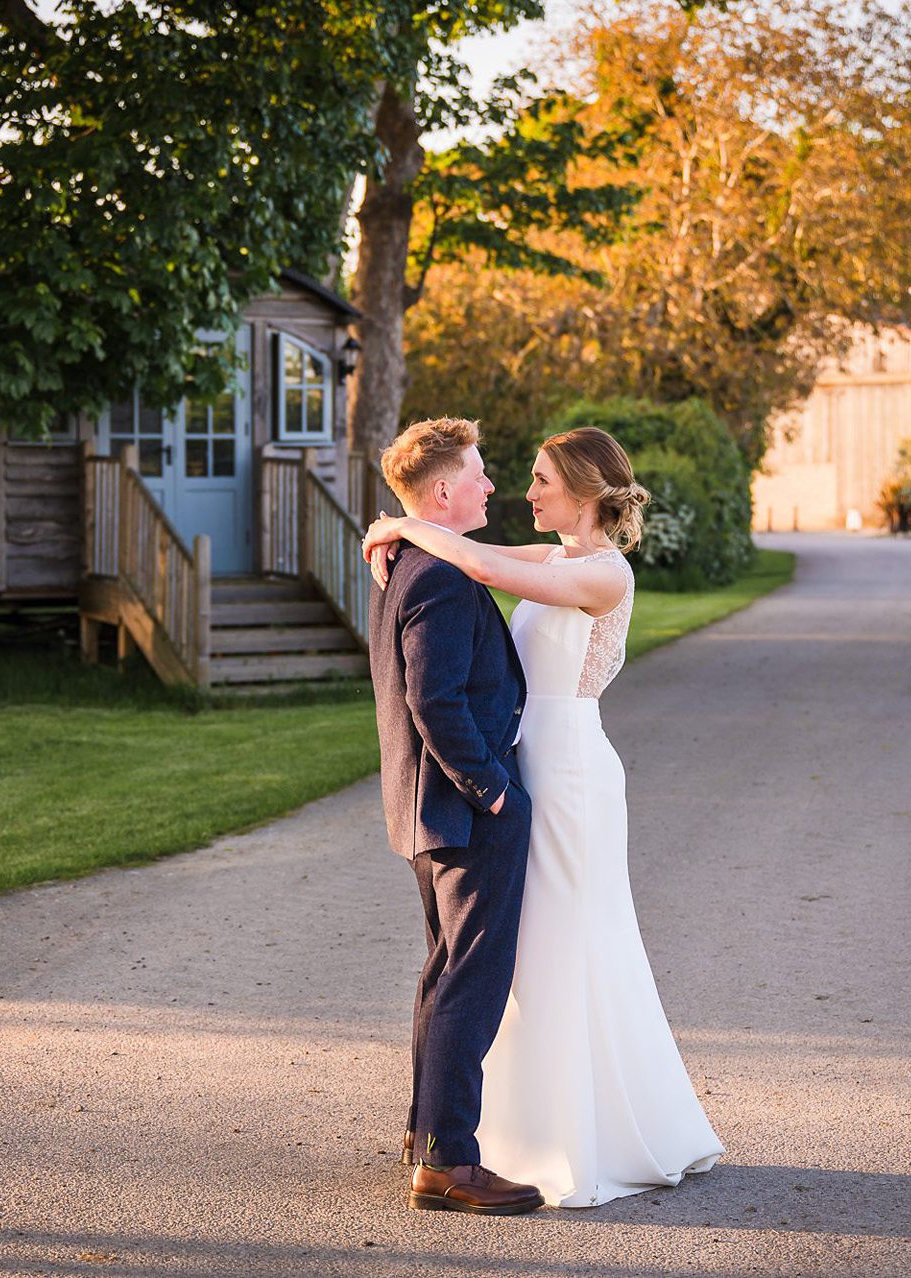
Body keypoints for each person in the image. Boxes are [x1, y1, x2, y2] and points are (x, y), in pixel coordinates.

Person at [364, 424, 722, 1209]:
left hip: (570, 773)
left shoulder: (606, 576)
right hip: (521, 771)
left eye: (540, 481)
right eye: (515, 477)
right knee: (499, 960)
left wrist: (403, 523)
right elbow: (478, 563)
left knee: (559, 944)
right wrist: (406, 522)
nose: (523, 492)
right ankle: (452, 1139)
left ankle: (564, 1130)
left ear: (585, 491)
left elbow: (482, 564)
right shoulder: (557, 558)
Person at [367, 417, 544, 1215]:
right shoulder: (435, 575)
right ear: (444, 491)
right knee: (472, 979)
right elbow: (432, 699)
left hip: (427, 813)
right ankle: (449, 1162)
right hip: (464, 812)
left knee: (445, 974)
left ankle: (427, 1136)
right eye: (478, 472)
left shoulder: (411, 558)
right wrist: (491, 789)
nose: (491, 485)